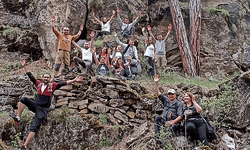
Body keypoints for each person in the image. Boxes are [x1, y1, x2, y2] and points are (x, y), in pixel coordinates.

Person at [12, 59, 83, 150]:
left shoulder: (52, 86)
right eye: (44, 77)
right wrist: (24, 66)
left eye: (47, 77)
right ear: (42, 78)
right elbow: (30, 76)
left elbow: (64, 83)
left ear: (49, 79)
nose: (46, 78)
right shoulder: (38, 84)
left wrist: (74, 80)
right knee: (23, 99)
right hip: (36, 105)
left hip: (43, 110)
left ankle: (24, 146)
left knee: (34, 127)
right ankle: (18, 117)